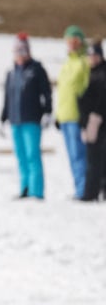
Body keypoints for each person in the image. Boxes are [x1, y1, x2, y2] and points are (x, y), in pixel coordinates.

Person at [0, 32, 52, 200]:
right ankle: (25, 188)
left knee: (32, 155)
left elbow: (47, 92)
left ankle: (37, 191)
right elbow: (7, 98)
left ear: (28, 51)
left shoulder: (36, 69)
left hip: (32, 119)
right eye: (17, 51)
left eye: (23, 51)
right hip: (15, 120)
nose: (20, 55)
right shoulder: (11, 73)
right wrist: (3, 118)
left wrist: (48, 112)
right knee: (21, 156)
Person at [55, 25, 91, 199]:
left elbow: (87, 89)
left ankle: (84, 189)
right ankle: (78, 187)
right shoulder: (67, 63)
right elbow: (63, 90)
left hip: (78, 116)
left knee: (80, 155)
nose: (72, 44)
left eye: (75, 40)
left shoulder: (84, 62)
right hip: (65, 116)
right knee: (71, 156)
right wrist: (57, 115)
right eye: (69, 41)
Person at [78, 40, 106, 201]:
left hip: (98, 120)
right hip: (91, 119)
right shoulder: (91, 72)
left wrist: (96, 115)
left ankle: (91, 193)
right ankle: (96, 190)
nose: (93, 58)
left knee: (95, 158)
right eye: (90, 55)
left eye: (95, 55)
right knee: (95, 157)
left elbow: (100, 98)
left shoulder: (101, 73)